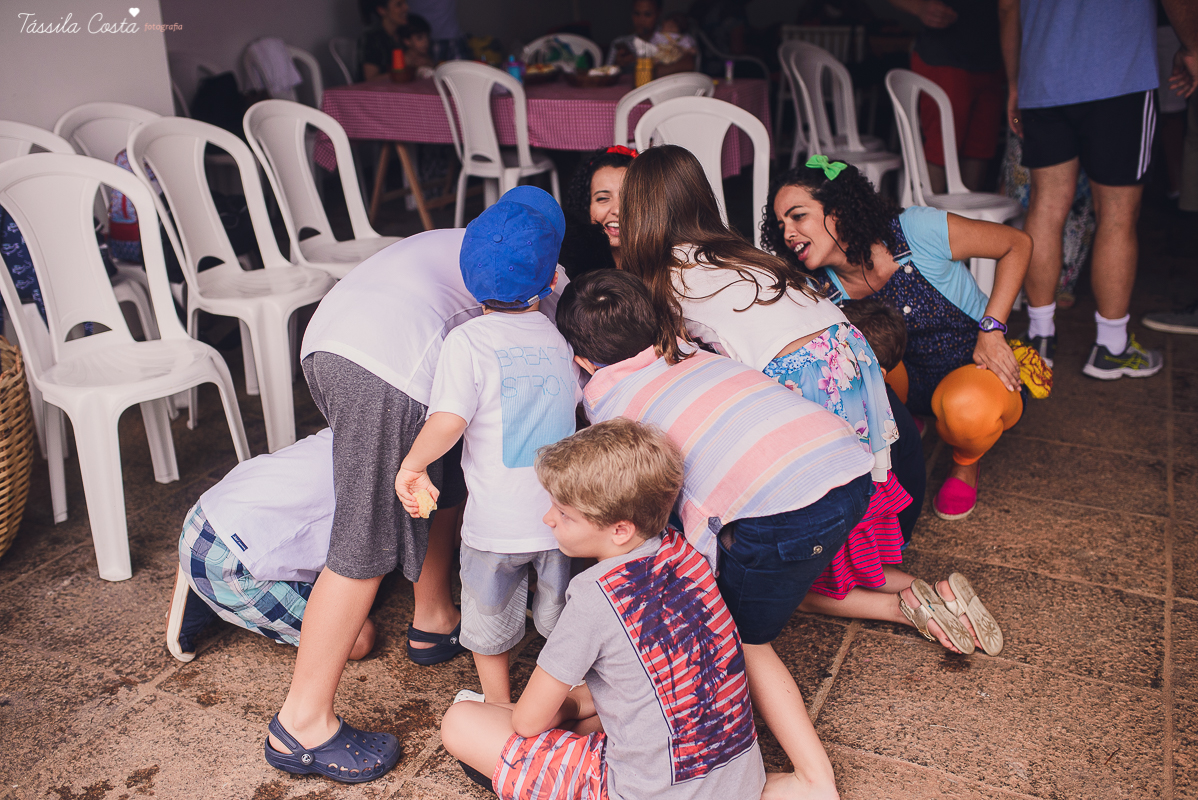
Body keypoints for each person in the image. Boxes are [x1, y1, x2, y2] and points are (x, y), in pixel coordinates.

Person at [265, 215, 568, 783]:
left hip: (326, 344)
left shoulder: (472, 241)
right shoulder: (543, 276)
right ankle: (301, 722)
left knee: (450, 470)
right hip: (385, 368)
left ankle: (433, 618)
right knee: (366, 537)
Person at [440, 418, 771, 800]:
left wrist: (563, 711)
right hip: (740, 782)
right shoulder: (686, 554)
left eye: (564, 514)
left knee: (461, 722)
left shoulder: (594, 594)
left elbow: (528, 721)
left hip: (639, 791)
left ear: (620, 530)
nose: (548, 519)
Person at [761, 158, 1034, 522]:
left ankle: (966, 462)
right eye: (781, 225)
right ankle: (904, 422)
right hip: (906, 384)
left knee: (966, 411)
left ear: (838, 210)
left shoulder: (914, 229)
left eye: (798, 216)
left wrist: (993, 328)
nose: (788, 233)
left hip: (974, 364)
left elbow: (1016, 244)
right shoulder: (817, 287)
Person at [395, 187, 578, 704]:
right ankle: (568, 696)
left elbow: (449, 420)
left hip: (494, 526)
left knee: (489, 619)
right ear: (549, 279)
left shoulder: (468, 341)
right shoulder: (557, 336)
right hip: (561, 521)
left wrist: (413, 464)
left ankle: (498, 704)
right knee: (560, 620)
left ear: (470, 284)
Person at [997, 0, 1196, 377]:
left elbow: (1008, 6)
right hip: (1119, 76)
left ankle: (1040, 338)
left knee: (1045, 206)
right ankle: (1111, 346)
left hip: (1043, 76)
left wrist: (1013, 81)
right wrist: (1193, 46)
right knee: (1118, 215)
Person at [167, 429, 376, 665]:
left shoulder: (350, 424)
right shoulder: (384, 482)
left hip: (206, 511)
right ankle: (209, 594)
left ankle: (206, 579)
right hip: (226, 560)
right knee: (358, 638)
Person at [886, 0, 1005, 193]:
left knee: (979, 151)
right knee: (939, 151)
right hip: (944, 57)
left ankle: (962, 221)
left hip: (992, 60)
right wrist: (919, 7)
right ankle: (927, 220)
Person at [839, 297, 925, 543]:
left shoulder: (887, 420)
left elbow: (881, 492)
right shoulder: (866, 399)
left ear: (877, 373)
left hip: (888, 537)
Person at [557, 146, 635, 279]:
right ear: (586, 206)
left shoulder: (668, 268)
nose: (617, 210)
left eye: (629, 198)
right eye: (603, 199)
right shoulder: (565, 271)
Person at [608, 0, 698, 76]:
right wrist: (618, 66)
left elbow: (689, 64)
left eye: (647, 14)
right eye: (637, 14)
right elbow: (605, 73)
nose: (641, 20)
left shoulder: (671, 37)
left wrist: (648, 68)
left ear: (658, 14)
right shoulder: (620, 42)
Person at [358, 0, 409, 81]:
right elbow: (371, 79)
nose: (406, 8)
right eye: (399, 5)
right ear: (382, 10)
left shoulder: (404, 33)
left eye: (405, 3)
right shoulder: (371, 37)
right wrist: (408, 70)